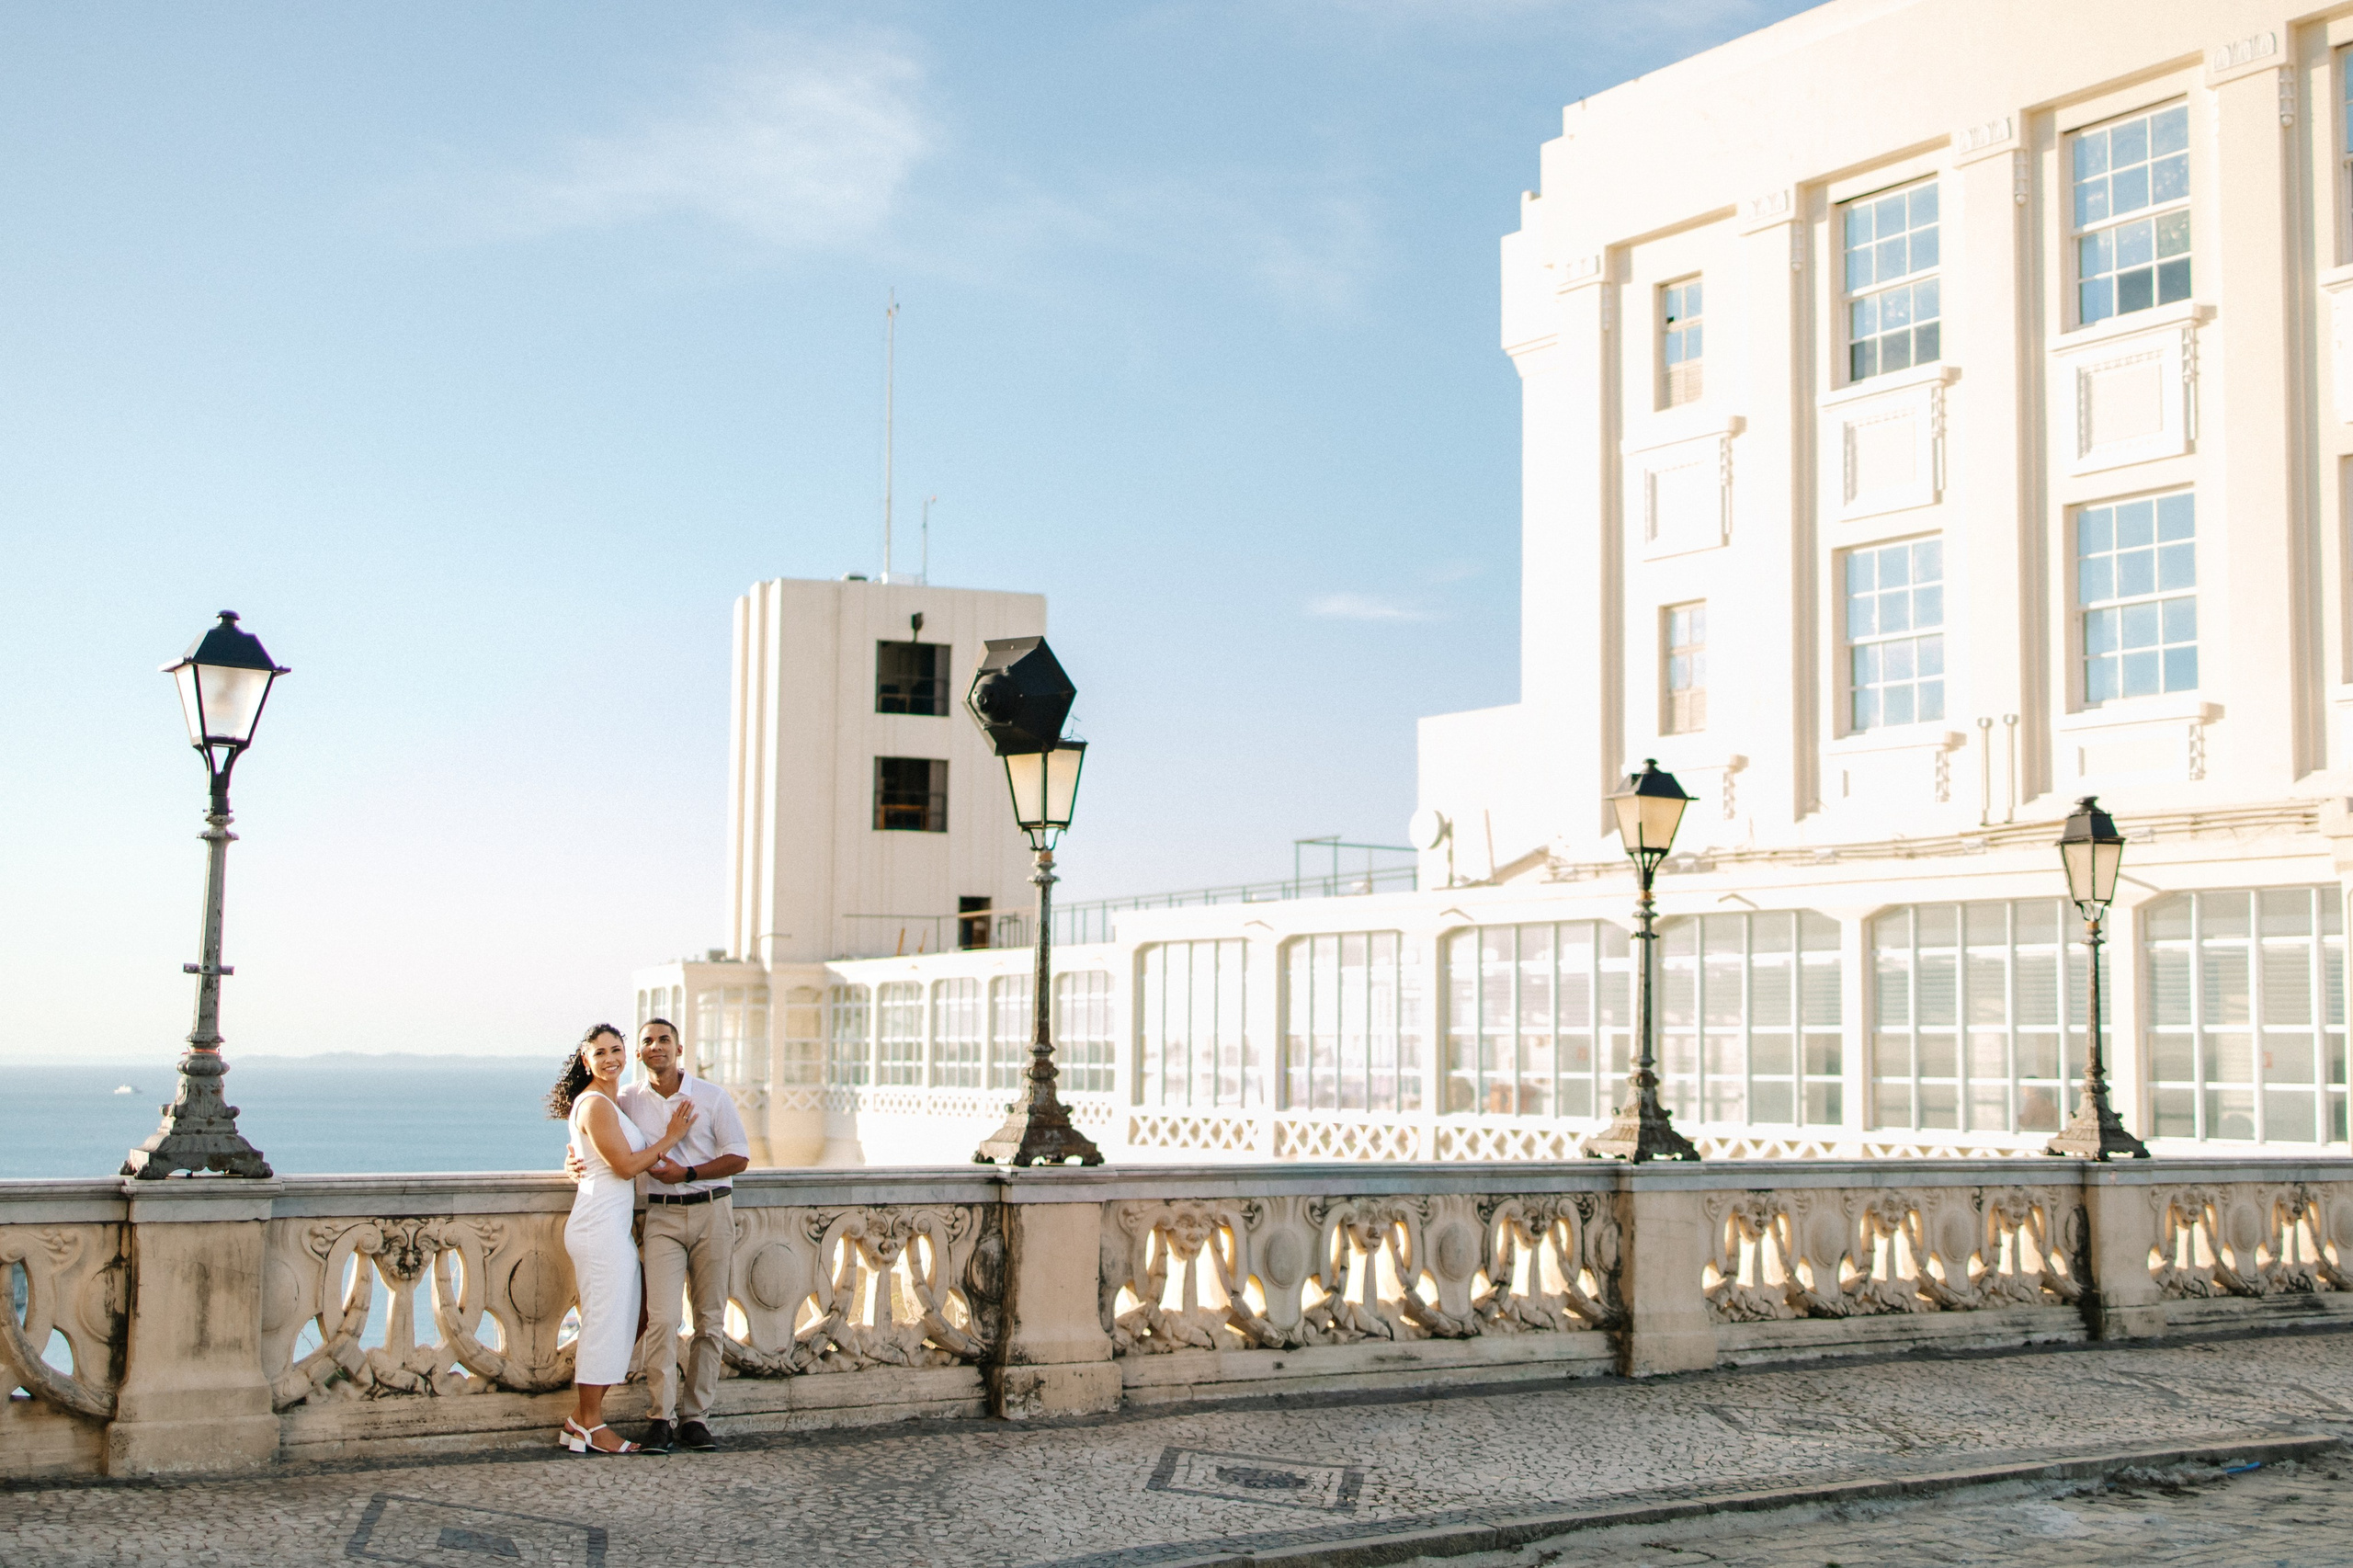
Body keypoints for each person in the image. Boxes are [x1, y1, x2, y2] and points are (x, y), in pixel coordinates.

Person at [564, 1016, 750, 1454]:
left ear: (678, 1048)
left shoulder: (711, 1097)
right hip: (657, 1218)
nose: (656, 1047)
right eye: (647, 1041)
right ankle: (657, 1419)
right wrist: (570, 1162)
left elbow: (740, 1158)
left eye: (664, 1039)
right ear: (640, 1052)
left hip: (711, 1211)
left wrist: (688, 1172)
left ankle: (696, 1418)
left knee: (708, 1321)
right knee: (659, 1319)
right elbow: (600, 1141)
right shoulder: (626, 1098)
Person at [546, 1023, 695, 1456]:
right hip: (598, 1229)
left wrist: (572, 1159)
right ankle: (590, 1424)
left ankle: (581, 1418)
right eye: (600, 1052)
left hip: (612, 1228)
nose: (610, 1058)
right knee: (603, 1324)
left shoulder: (612, 1101)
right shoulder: (594, 1103)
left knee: (637, 1316)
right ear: (585, 1059)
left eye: (616, 1049)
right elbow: (625, 1166)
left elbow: (594, 1153)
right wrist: (671, 1138)